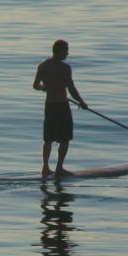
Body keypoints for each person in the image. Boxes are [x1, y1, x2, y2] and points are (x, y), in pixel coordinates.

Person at [33, 39, 88, 178]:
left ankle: (45, 168)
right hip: (61, 105)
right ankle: (59, 168)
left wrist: (44, 88)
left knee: (48, 139)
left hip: (49, 105)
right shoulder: (65, 67)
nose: (68, 53)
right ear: (59, 51)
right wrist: (81, 102)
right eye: (66, 50)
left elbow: (35, 85)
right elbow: (71, 89)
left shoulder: (43, 65)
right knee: (64, 139)